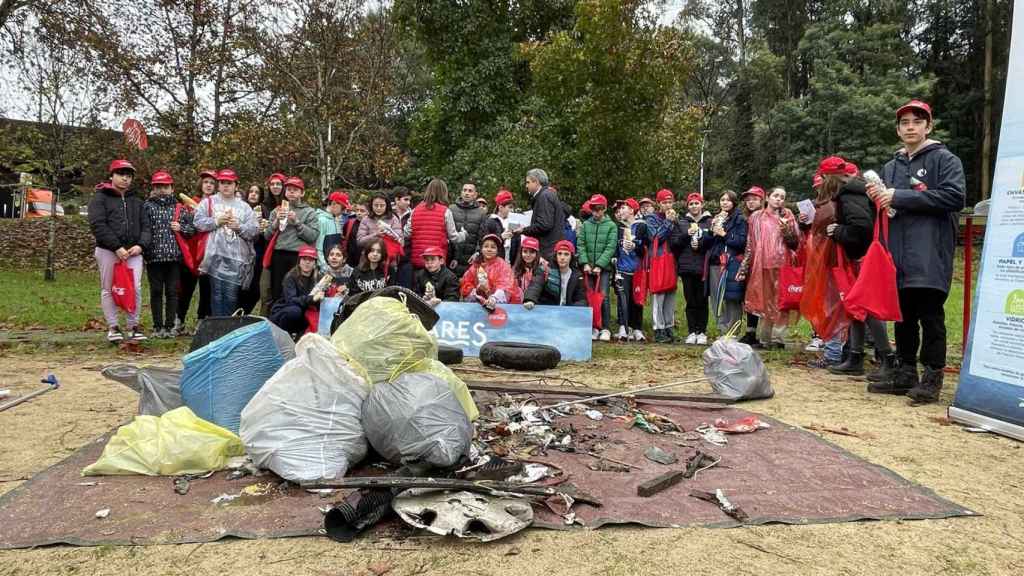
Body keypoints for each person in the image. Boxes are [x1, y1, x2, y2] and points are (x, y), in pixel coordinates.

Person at [867, 100, 965, 403]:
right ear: (898, 130)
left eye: (916, 121)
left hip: (930, 251)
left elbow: (954, 196)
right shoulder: (891, 166)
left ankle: (932, 376)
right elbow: (891, 206)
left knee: (930, 316)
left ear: (928, 127)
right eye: (905, 123)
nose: (910, 127)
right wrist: (881, 200)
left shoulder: (945, 160)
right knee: (903, 316)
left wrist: (901, 196)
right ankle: (905, 372)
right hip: (898, 253)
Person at [810, 157, 893, 377]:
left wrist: (837, 232)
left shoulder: (849, 196)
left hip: (861, 259)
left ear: (830, 177)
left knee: (865, 309)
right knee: (854, 306)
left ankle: (887, 358)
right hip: (859, 258)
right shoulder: (853, 192)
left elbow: (861, 229)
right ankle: (855, 357)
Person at [89, 159, 151, 342]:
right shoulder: (100, 198)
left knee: (135, 289)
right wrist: (116, 247)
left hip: (133, 252)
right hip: (108, 250)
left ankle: (133, 326)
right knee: (108, 288)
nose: (125, 178)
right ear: (111, 176)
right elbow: (98, 225)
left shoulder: (137, 201)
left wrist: (140, 245)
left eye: (129, 175)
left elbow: (146, 227)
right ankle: (113, 327)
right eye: (121, 174)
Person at [736, 187, 801, 349]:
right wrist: (744, 267)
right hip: (762, 264)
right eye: (775, 196)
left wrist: (787, 230)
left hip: (783, 264)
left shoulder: (787, 215)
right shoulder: (756, 217)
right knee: (765, 300)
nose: (778, 199)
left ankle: (778, 338)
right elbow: (750, 244)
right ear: (767, 197)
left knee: (781, 301)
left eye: (782, 197)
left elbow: (795, 243)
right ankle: (765, 338)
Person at [193, 169, 258, 316]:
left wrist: (239, 227)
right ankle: (218, 327)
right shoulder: (208, 202)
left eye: (229, 183)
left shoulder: (244, 207)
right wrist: (216, 221)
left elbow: (254, 230)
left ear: (236, 185)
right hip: (214, 257)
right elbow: (197, 222)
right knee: (216, 294)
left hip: (236, 259)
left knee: (231, 294)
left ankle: (229, 327)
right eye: (222, 183)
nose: (225, 186)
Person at [143, 171, 194, 339]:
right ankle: (158, 326)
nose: (162, 190)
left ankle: (170, 325)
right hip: (154, 256)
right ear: (153, 188)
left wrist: (181, 228)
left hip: (174, 257)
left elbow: (192, 230)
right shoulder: (147, 206)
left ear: (172, 188)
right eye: (158, 186)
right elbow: (143, 229)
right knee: (156, 291)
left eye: (165, 186)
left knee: (172, 292)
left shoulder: (179, 207)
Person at [264, 176, 320, 312]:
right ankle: (277, 319)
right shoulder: (277, 210)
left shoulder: (309, 212)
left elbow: (313, 236)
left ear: (302, 193)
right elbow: (267, 236)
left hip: (299, 257)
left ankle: (297, 320)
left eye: (295, 190)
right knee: (277, 290)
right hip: (279, 254)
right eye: (289, 190)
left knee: (297, 290)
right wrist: (277, 221)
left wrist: (297, 223)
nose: (291, 193)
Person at [176, 169, 217, 332]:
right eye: (206, 182)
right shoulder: (190, 203)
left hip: (210, 249)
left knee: (206, 288)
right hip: (191, 249)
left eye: (212, 183)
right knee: (186, 287)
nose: (209, 185)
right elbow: (185, 225)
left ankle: (202, 319)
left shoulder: (218, 204)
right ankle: (179, 319)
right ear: (201, 184)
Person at [702, 189, 747, 337]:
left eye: (728, 200)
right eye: (722, 200)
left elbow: (741, 242)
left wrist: (724, 234)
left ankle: (733, 330)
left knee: (731, 297)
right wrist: (711, 230)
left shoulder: (740, 219)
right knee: (716, 297)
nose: (725, 203)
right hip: (715, 262)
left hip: (731, 262)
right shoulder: (717, 218)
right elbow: (707, 243)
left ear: (733, 202)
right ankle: (722, 329)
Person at [671, 193, 711, 345]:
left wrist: (700, 244)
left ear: (702, 205)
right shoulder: (681, 223)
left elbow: (713, 241)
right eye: (691, 204)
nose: (694, 206)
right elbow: (674, 244)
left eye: (697, 203)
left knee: (702, 300)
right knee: (690, 300)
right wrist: (686, 236)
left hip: (703, 267)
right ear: (687, 206)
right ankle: (692, 331)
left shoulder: (709, 222)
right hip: (687, 267)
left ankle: (702, 331)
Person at [577, 193, 618, 341]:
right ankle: (593, 326)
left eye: (599, 209)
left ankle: (606, 328)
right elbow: (580, 244)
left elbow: (610, 247)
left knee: (604, 297)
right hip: (588, 268)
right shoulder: (586, 225)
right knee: (588, 297)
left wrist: (600, 265)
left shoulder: (611, 226)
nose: (596, 212)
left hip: (603, 269)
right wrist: (585, 263)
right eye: (594, 209)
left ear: (605, 209)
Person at [405, 178, 467, 272]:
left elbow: (406, 233)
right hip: (437, 261)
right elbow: (454, 237)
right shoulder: (446, 211)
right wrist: (463, 234)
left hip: (418, 260)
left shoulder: (415, 210)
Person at [645, 188, 680, 343]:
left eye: (670, 202)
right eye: (664, 202)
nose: (668, 205)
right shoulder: (651, 219)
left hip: (672, 259)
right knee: (659, 294)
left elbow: (679, 238)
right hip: (658, 259)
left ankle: (669, 326)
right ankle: (658, 328)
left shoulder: (676, 218)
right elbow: (656, 237)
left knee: (670, 294)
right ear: (658, 203)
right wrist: (668, 222)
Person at [270, 245, 325, 336]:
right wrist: (312, 299)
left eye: (310, 260)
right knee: (295, 311)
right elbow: (291, 301)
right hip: (283, 311)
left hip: (305, 313)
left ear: (315, 263)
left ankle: (299, 335)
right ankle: (282, 335)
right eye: (304, 259)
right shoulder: (291, 277)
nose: (307, 262)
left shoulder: (319, 278)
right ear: (299, 261)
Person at [735, 187, 766, 345]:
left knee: (762, 297)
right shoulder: (746, 218)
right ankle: (751, 332)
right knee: (749, 297)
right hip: (750, 261)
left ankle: (766, 334)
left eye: (754, 199)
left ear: (762, 200)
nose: (750, 202)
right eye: (748, 200)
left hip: (762, 262)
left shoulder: (764, 217)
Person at [614, 198, 647, 342]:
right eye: (620, 209)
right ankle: (623, 326)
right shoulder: (618, 227)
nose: (620, 211)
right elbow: (615, 246)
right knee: (623, 298)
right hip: (622, 268)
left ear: (632, 210)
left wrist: (635, 246)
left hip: (637, 269)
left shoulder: (641, 226)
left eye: (623, 208)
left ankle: (637, 328)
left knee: (637, 300)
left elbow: (646, 246)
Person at [523, 240, 587, 307]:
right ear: (555, 255)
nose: (562, 257)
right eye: (559, 253)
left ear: (571, 257)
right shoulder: (545, 269)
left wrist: (573, 310)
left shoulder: (577, 275)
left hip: (567, 313)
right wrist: (530, 299)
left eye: (566, 254)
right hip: (548, 312)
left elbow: (581, 299)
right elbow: (536, 285)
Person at [520, 168, 566, 261]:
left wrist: (523, 230)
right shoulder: (547, 194)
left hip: (548, 250)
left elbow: (544, 225)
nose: (526, 186)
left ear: (536, 182)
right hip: (551, 248)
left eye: (528, 182)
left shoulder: (544, 196)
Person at [459, 234, 515, 307]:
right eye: (486, 246)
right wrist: (477, 290)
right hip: (477, 306)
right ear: (481, 249)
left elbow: (506, 286)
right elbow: (465, 285)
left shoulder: (503, 266)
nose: (489, 249)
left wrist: (493, 298)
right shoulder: (475, 266)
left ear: (497, 250)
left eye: (493, 247)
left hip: (498, 307)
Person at [357, 192, 405, 275]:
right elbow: (360, 241)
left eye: (382, 205)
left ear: (387, 206)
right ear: (371, 206)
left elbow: (400, 241)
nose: (379, 208)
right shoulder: (366, 220)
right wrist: (375, 234)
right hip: (368, 260)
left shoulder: (393, 219)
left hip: (388, 261)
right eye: (376, 205)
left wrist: (388, 233)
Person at [238, 183, 266, 315]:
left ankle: (245, 312)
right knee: (239, 287)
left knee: (254, 289)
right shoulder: (240, 209)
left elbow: (267, 235)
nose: (253, 194)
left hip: (258, 253)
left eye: (257, 192)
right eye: (251, 192)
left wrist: (262, 229)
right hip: (240, 251)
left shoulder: (265, 211)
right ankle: (236, 314)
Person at [449, 181, 486, 278]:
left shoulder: (481, 213)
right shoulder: (451, 209)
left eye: (470, 191)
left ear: (475, 194)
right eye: (464, 190)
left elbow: (481, 236)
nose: (467, 193)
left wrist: (477, 253)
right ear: (461, 192)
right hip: (452, 258)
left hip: (471, 258)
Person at [481, 187, 520, 261]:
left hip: (510, 263)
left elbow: (518, 245)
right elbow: (484, 241)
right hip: (494, 262)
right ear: (501, 207)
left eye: (513, 208)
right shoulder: (490, 221)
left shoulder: (514, 221)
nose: (512, 210)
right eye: (510, 207)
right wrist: (500, 237)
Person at [316, 191, 350, 272]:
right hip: (325, 268)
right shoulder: (321, 220)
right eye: (343, 208)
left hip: (335, 267)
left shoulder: (336, 220)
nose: (344, 211)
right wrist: (323, 266)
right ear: (334, 204)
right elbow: (318, 247)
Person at [510, 235, 547, 305]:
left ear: (537, 253)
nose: (528, 255)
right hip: (519, 304)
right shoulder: (516, 268)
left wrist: (529, 299)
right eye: (525, 251)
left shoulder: (542, 267)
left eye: (532, 252)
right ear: (521, 253)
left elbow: (536, 285)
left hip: (536, 304)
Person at [391, 186, 415, 288]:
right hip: (390, 258)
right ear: (396, 200)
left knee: (405, 289)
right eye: (405, 199)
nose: (408, 203)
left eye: (409, 200)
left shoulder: (413, 215)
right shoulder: (388, 214)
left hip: (406, 257)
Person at [346, 202, 368, 268]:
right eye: (357, 210)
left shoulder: (371, 225)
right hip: (350, 260)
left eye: (362, 211)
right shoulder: (350, 222)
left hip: (365, 260)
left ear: (368, 212)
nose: (359, 213)